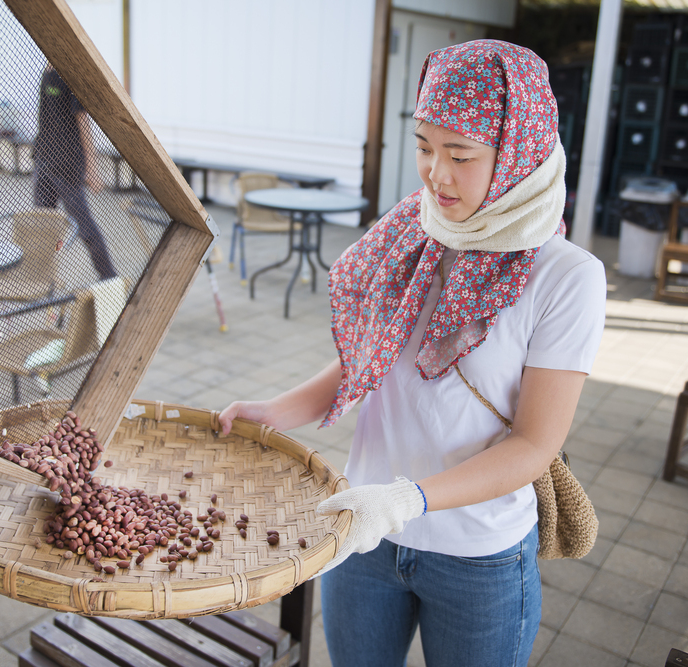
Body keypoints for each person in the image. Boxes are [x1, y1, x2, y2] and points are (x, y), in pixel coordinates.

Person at [218, 40, 606, 666]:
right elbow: (374, 359)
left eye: (461, 154)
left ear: (519, 151)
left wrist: (406, 500)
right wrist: (277, 410)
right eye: (424, 146)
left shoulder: (567, 277)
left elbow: (535, 444)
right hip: (363, 532)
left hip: (477, 556)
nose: (436, 174)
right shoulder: (414, 229)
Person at [33, 64, 117, 280]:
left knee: (84, 226)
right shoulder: (47, 72)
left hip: (67, 165)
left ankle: (109, 277)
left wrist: (92, 169)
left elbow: (83, 122)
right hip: (44, 160)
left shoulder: (72, 74)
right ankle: (42, 277)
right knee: (42, 225)